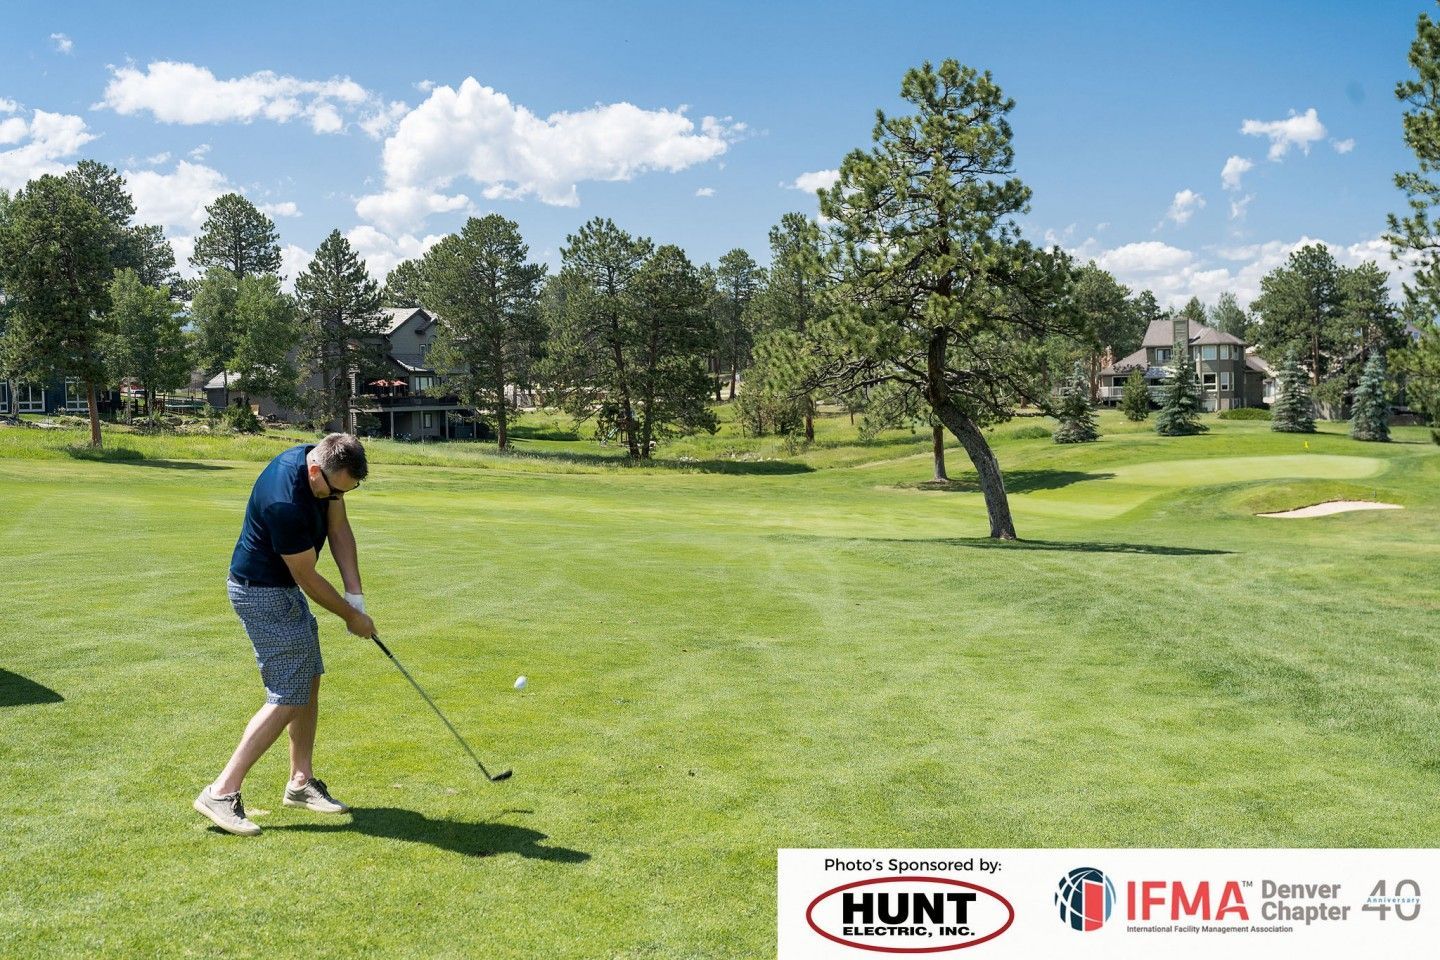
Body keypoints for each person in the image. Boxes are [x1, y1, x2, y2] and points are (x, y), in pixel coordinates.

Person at [193, 433, 376, 836]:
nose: (337, 498)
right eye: (335, 491)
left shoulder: (323, 465)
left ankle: (300, 781)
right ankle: (220, 792)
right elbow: (307, 577)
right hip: (261, 594)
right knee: (288, 694)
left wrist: (355, 596)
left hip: (281, 591)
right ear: (315, 472)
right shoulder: (285, 503)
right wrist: (351, 617)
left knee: (309, 676)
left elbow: (339, 527)